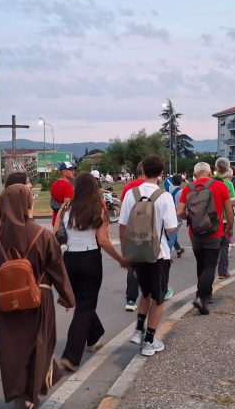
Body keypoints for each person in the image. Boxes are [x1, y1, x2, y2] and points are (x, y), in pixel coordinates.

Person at [0, 185, 75, 409]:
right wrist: (68, 298)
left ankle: (20, 394)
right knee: (40, 345)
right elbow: (58, 271)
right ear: (27, 204)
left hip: (9, 302)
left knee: (14, 350)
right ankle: (30, 398)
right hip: (39, 300)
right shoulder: (43, 235)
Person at [56, 174, 128, 372]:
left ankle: (95, 333)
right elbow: (103, 240)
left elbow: (56, 233)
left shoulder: (66, 208)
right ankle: (70, 356)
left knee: (82, 302)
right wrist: (120, 259)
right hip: (89, 259)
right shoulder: (98, 209)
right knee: (85, 307)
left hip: (69, 259)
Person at [119, 155, 178, 356]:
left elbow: (122, 225)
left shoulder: (130, 194)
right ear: (162, 173)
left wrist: (125, 252)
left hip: (136, 253)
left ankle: (138, 330)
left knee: (145, 293)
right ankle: (150, 341)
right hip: (158, 253)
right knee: (159, 298)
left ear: (142, 170)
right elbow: (171, 229)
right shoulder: (165, 196)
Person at [177, 162, 233, 315]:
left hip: (194, 233)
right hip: (214, 232)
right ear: (210, 173)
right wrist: (230, 228)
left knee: (201, 264)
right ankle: (201, 296)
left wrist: (191, 218)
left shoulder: (188, 188)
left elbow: (180, 211)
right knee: (209, 265)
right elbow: (229, 211)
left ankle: (205, 294)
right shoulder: (220, 186)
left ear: (195, 175)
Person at [120, 164, 145, 311]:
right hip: (150, 231)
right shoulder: (153, 187)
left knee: (133, 266)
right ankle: (161, 290)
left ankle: (131, 299)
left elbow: (124, 210)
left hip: (132, 230)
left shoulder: (128, 188)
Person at [211, 158, 235, 280]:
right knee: (224, 245)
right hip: (224, 219)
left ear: (216, 168)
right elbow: (232, 202)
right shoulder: (228, 184)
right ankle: (222, 271)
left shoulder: (210, 181)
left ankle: (209, 270)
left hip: (211, 217)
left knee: (212, 245)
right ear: (228, 169)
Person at [165, 174, 186, 260]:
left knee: (172, 234)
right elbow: (180, 206)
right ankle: (166, 255)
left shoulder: (167, 189)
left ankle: (178, 249)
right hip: (176, 215)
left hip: (167, 213)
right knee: (172, 235)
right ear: (181, 181)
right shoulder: (181, 191)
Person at [50, 161, 76, 226]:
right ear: (64, 172)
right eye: (71, 170)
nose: (73, 172)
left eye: (73, 170)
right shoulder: (68, 186)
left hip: (55, 220)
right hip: (64, 222)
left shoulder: (54, 184)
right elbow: (66, 207)